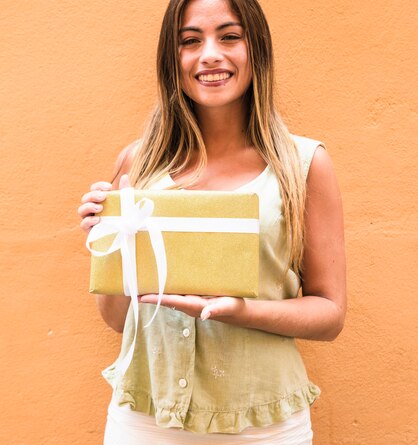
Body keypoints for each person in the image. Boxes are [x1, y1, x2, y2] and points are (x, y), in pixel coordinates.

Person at [78, 0, 346, 443]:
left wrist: (243, 312)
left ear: (256, 48)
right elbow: (117, 318)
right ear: (172, 58)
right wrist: (109, 241)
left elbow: (330, 315)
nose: (209, 55)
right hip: (146, 420)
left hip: (261, 425)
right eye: (190, 40)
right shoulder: (138, 162)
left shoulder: (303, 165)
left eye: (229, 36)